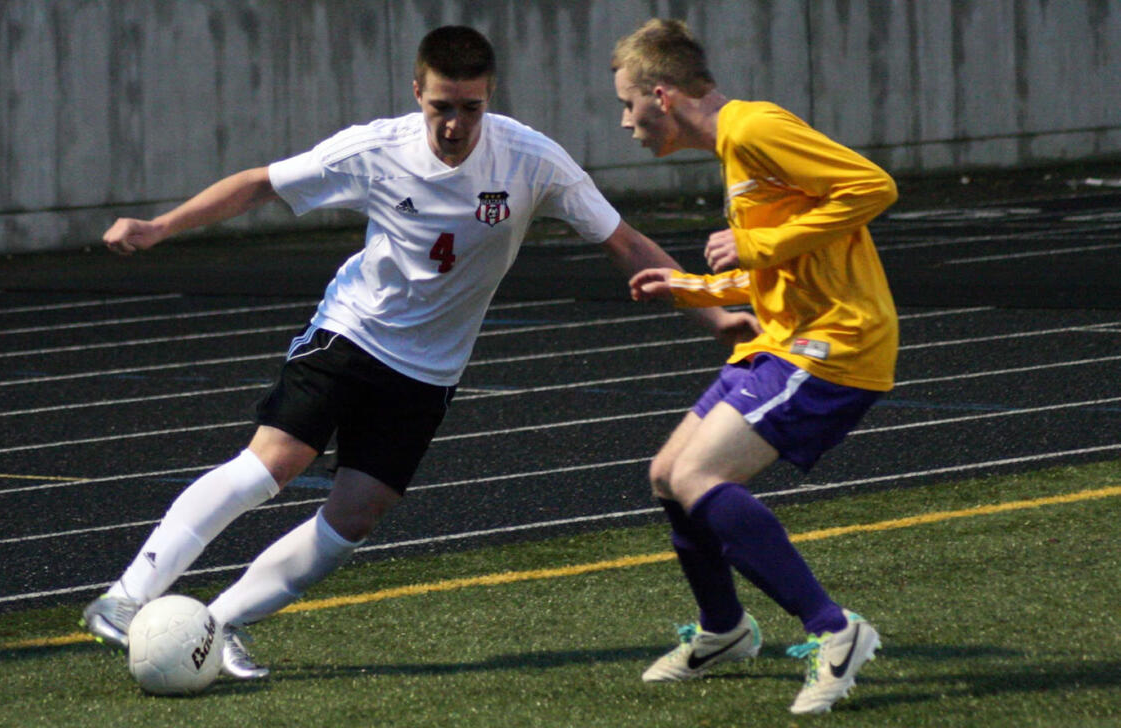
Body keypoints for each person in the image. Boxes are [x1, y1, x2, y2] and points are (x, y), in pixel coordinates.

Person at [82, 25, 757, 680]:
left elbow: (627, 244)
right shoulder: (377, 149)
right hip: (351, 333)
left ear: (490, 97)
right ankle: (127, 594)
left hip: (428, 372)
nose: (455, 125)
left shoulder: (532, 160)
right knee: (275, 463)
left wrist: (716, 312)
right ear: (417, 92)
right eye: (441, 108)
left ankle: (218, 626)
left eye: (471, 108)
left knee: (356, 513)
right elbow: (262, 182)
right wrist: (160, 226)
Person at [610, 19, 899, 715]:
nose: (625, 122)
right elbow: (780, 268)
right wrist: (693, 288)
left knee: (697, 475)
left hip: (837, 344)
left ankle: (836, 631)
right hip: (786, 337)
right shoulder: (737, 151)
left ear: (663, 94)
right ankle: (724, 630)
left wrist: (755, 243)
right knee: (666, 477)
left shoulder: (751, 128)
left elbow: (873, 186)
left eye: (627, 104)